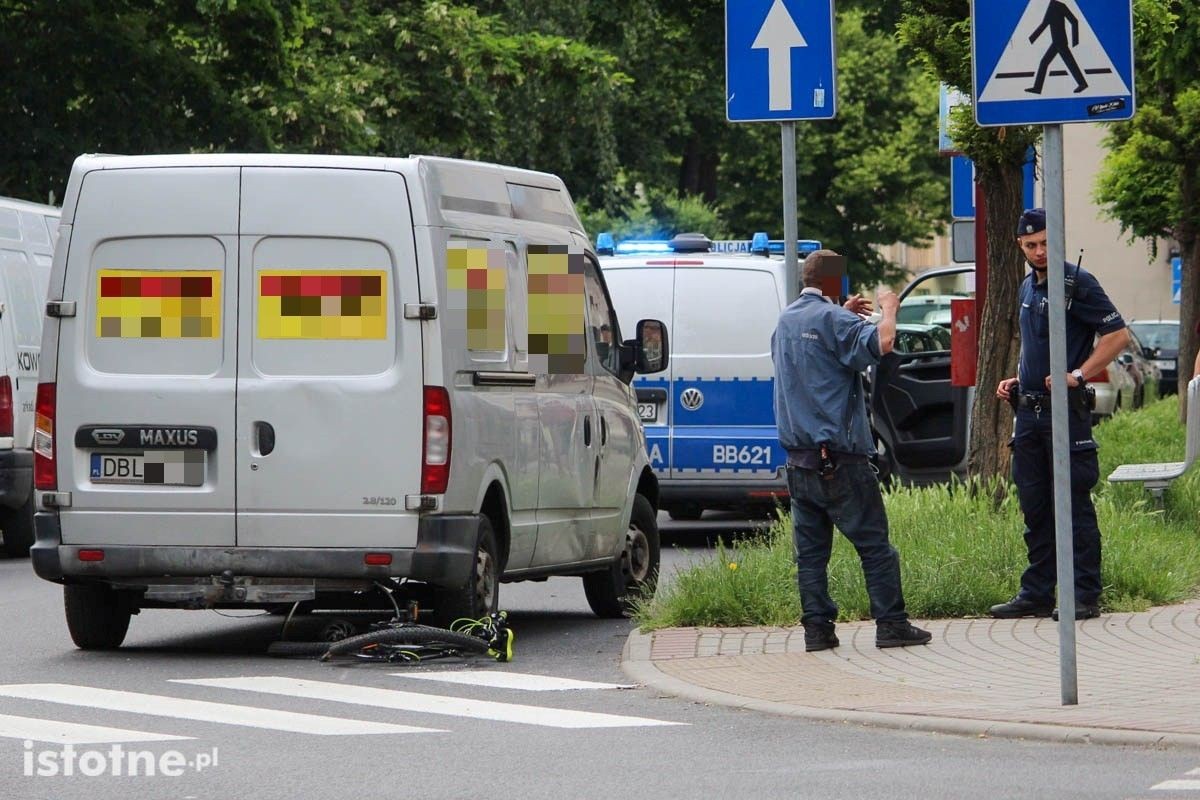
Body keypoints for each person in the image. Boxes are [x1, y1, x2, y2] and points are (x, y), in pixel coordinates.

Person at [771, 250, 932, 651]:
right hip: (840, 459)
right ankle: (891, 624)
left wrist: (840, 312)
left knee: (810, 554)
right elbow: (885, 340)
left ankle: (817, 631)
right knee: (875, 546)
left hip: (799, 461)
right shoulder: (835, 320)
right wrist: (889, 307)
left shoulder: (787, 320)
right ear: (834, 282)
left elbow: (817, 351)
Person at [991, 208, 1130, 621]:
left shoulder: (1077, 282)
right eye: (1030, 245)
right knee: (1034, 505)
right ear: (1020, 246)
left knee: (1072, 504)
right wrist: (1016, 379)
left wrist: (1078, 374)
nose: (1039, 251)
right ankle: (1037, 592)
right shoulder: (1026, 288)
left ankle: (1085, 594)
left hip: (1065, 413)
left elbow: (1117, 335)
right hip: (1029, 412)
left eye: (1045, 243)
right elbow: (1034, 345)